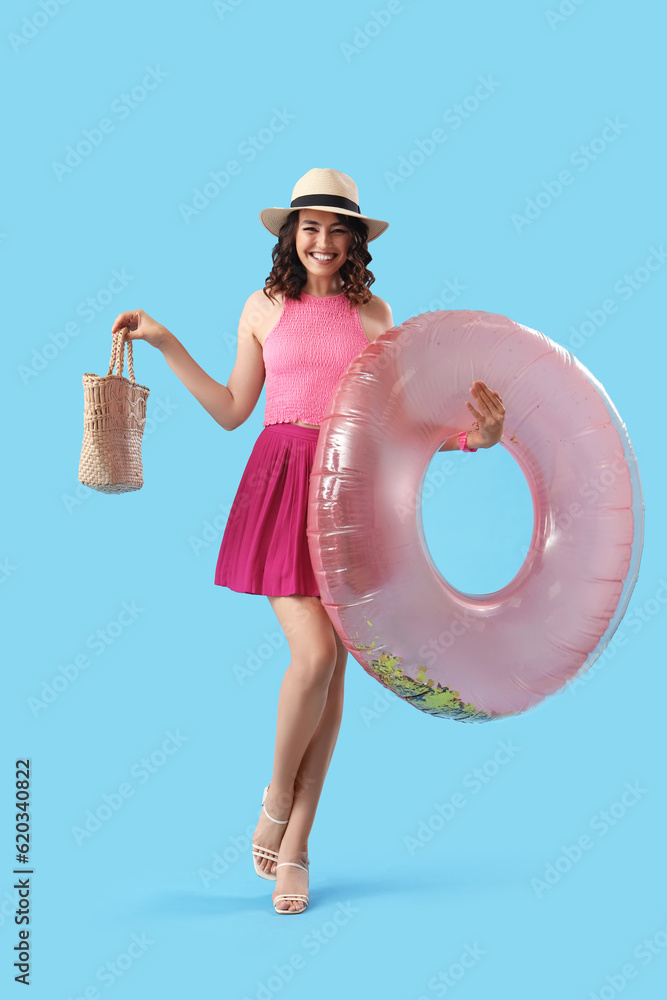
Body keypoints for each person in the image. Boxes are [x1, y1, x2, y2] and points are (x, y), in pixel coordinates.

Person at [111, 167, 505, 915]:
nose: (321, 241)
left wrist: (471, 439)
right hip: (281, 482)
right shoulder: (262, 307)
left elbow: (399, 418)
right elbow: (233, 410)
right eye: (309, 227)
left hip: (347, 491)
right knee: (316, 656)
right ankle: (274, 796)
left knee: (337, 676)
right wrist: (164, 342)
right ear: (291, 235)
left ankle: (295, 850)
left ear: (355, 240)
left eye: (336, 229)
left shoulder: (374, 314)